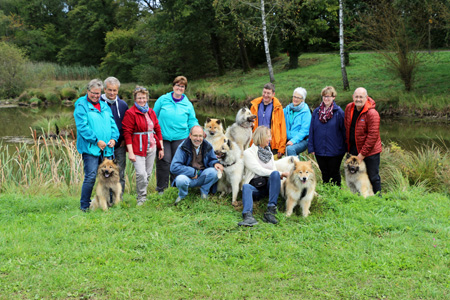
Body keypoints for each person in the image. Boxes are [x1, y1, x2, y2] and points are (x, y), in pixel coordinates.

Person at [74, 79, 119, 212]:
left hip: (107, 149)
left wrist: (114, 138)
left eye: (98, 94)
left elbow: (112, 124)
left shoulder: (104, 105)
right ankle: (85, 206)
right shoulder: (81, 105)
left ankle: (109, 202)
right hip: (91, 148)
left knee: (109, 176)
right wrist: (96, 140)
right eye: (93, 93)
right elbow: (82, 127)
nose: (96, 96)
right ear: (88, 91)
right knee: (91, 175)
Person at [154, 76, 199, 195]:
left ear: (185, 89)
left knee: (177, 162)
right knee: (164, 160)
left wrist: (198, 130)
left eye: (182, 86)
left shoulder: (187, 104)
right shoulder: (163, 99)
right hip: (163, 137)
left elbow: (192, 120)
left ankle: (175, 188)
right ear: (173, 86)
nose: (179, 88)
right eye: (177, 85)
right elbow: (153, 115)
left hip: (181, 136)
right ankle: (161, 190)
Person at [239, 126, 289, 226]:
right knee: (246, 187)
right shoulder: (248, 153)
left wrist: (278, 174)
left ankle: (270, 212)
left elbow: (274, 170)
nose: (270, 139)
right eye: (268, 136)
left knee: (275, 173)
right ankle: (248, 216)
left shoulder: (269, 152)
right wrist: (281, 173)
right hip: (255, 187)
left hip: (267, 186)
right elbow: (258, 170)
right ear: (261, 137)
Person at [122, 86, 164, 206]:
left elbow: (157, 128)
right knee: (141, 174)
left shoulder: (150, 111)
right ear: (135, 99)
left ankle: (142, 196)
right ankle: (141, 197)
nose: (142, 100)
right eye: (139, 98)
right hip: (137, 147)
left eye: (144, 98)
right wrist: (130, 152)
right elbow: (127, 133)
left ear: (147, 98)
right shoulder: (131, 113)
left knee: (148, 174)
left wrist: (161, 147)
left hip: (152, 146)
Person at [170, 125, 224, 205]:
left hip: (202, 176)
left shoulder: (208, 146)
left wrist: (215, 163)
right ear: (190, 136)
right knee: (180, 179)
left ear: (203, 136)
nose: (198, 139)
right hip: (188, 178)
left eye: (200, 136)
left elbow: (212, 159)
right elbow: (174, 167)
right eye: (195, 135)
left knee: (215, 172)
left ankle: (204, 191)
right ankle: (182, 195)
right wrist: (193, 172)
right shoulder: (182, 147)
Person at [344, 87, 382, 195]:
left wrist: (362, 155)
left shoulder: (372, 113)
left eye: (361, 97)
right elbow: (347, 127)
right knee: (356, 176)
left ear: (366, 98)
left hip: (371, 151)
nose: (358, 99)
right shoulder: (349, 108)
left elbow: (372, 136)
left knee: (373, 176)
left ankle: (378, 198)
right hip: (354, 148)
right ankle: (358, 197)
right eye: (356, 97)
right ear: (353, 97)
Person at [308, 86, 346, 186]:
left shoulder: (339, 112)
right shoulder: (316, 112)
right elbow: (311, 130)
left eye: (328, 96)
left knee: (334, 173)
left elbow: (344, 131)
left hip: (335, 150)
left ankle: (337, 194)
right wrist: (311, 147)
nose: (326, 99)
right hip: (319, 149)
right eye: (324, 96)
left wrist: (344, 148)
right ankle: (327, 193)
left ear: (333, 97)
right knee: (324, 173)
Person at [100, 77, 129, 197]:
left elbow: (127, 125)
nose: (112, 93)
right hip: (103, 146)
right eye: (109, 90)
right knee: (105, 174)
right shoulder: (99, 103)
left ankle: (118, 198)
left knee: (119, 172)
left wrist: (124, 140)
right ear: (105, 89)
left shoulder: (122, 105)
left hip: (119, 145)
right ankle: (106, 198)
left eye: (115, 90)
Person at [250, 83, 287, 158]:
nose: (265, 95)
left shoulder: (278, 108)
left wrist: (281, 148)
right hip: (256, 144)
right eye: (264, 92)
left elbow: (282, 129)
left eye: (268, 93)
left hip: (272, 145)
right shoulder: (254, 106)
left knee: (272, 168)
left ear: (273, 94)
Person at [283, 87, 311, 156]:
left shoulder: (306, 112)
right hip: (287, 139)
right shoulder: (287, 109)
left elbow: (304, 131)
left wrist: (293, 141)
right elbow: (277, 115)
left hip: (302, 140)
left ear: (303, 100)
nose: (295, 99)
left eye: (298, 98)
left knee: (290, 149)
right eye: (294, 96)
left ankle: (297, 167)